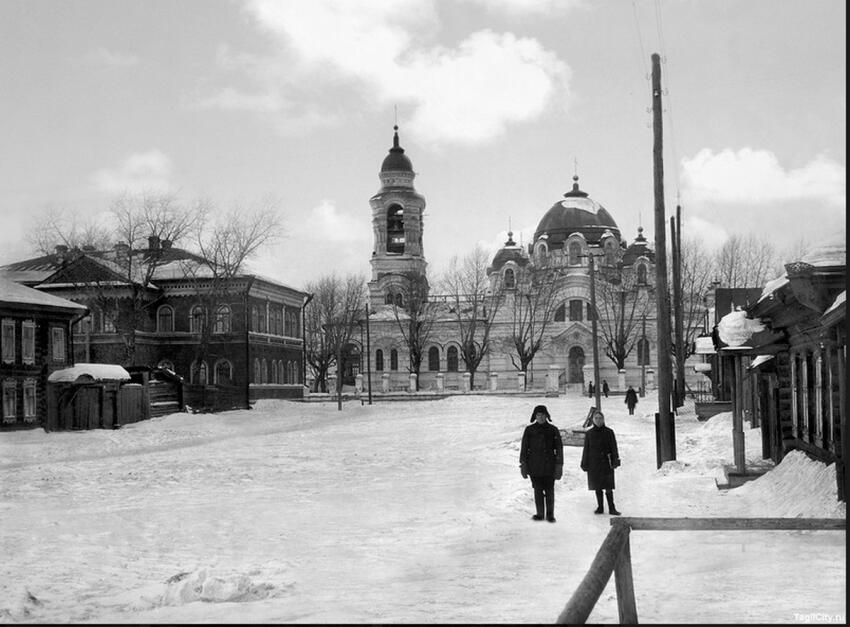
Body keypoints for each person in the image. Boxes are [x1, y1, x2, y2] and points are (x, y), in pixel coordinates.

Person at [520, 405, 564, 523]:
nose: (540, 417)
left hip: (550, 465)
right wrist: (523, 464)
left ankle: (550, 515)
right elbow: (524, 447)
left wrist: (559, 464)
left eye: (543, 415)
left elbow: (559, 448)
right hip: (534, 465)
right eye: (538, 415)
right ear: (535, 416)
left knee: (550, 491)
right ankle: (540, 514)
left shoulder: (553, 429)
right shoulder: (529, 430)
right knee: (537, 490)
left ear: (547, 416)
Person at [580, 409, 621, 516]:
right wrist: (584, 463)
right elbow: (586, 449)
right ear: (593, 420)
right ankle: (600, 507)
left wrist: (615, 460)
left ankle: (612, 508)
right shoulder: (589, 433)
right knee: (597, 487)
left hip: (607, 463)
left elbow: (614, 448)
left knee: (608, 487)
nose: (598, 420)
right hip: (594, 464)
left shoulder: (609, 432)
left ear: (603, 420)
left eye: (600, 418)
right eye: (596, 418)